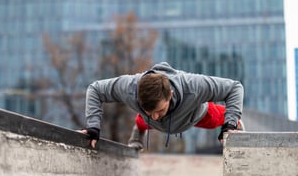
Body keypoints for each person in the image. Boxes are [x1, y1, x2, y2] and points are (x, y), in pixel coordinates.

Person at [80, 62, 244, 149]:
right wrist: (93, 127)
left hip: (193, 115)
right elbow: (95, 89)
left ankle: (234, 123)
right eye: (148, 110)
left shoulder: (193, 86)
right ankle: (139, 130)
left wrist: (230, 123)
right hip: (150, 121)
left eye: (160, 109)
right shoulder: (129, 88)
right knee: (145, 120)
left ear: (170, 95)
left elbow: (235, 87)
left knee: (219, 118)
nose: (155, 116)